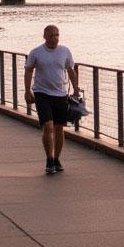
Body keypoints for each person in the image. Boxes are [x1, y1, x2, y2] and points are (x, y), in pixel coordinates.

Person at [23, 25, 78, 174]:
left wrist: (76, 89)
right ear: (45, 36)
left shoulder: (64, 51)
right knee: (48, 126)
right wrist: (28, 91)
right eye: (52, 35)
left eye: (57, 35)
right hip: (42, 93)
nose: (55, 38)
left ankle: (56, 159)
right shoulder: (36, 52)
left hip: (60, 94)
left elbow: (71, 70)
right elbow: (28, 70)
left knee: (59, 128)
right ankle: (49, 159)